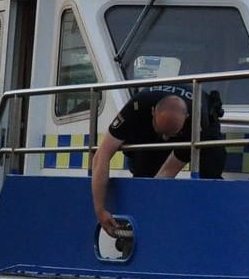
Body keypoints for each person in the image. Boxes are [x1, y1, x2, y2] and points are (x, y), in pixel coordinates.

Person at [90, 86, 223, 235]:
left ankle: (209, 228)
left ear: (186, 117)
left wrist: (147, 212)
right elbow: (101, 156)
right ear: (153, 112)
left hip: (200, 120)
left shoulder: (198, 123)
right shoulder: (136, 107)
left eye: (171, 134)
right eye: (162, 133)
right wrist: (100, 209)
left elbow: (167, 172)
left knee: (211, 169)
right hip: (149, 119)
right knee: (143, 171)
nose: (165, 139)